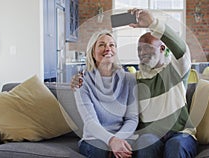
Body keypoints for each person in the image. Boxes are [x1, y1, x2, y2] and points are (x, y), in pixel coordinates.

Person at [72, 9, 197, 158]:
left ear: (162, 48)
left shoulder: (176, 70)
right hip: (150, 135)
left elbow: (182, 50)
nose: (142, 52)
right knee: (145, 144)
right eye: (139, 48)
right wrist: (78, 79)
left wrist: (153, 23)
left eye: (147, 47)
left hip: (179, 133)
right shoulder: (134, 79)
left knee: (176, 147)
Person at [74, 30, 139, 158]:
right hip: (94, 140)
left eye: (111, 45)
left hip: (123, 136)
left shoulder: (129, 79)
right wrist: (110, 141)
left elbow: (132, 118)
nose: (107, 48)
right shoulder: (82, 81)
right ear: (92, 52)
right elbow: (90, 121)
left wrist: (117, 141)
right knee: (100, 149)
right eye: (101, 45)